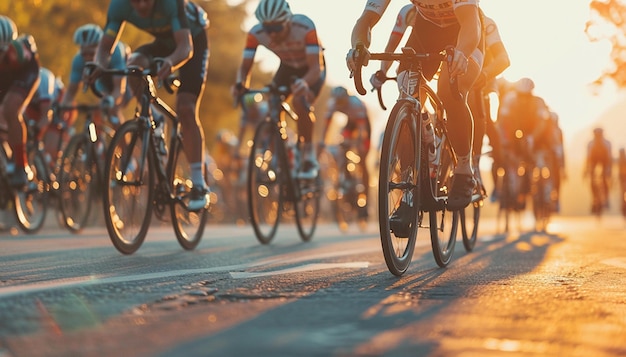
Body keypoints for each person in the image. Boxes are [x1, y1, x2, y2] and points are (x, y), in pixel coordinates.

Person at [348, 0, 484, 211]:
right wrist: (358, 47)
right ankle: (409, 187)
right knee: (406, 86)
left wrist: (462, 53)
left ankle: (465, 170)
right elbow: (365, 20)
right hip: (426, 30)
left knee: (449, 91)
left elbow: (470, 25)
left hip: (464, 30)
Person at [91, 0, 211, 211]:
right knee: (133, 67)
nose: (141, 5)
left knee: (186, 108)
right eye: (135, 1)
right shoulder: (118, 6)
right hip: (163, 42)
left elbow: (185, 48)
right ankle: (156, 117)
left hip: (192, 41)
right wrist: (99, 66)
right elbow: (104, 50)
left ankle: (198, 183)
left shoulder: (172, 3)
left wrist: (171, 62)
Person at [232, 0, 327, 180]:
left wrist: (304, 83)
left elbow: (316, 68)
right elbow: (245, 68)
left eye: (276, 28)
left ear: (288, 22)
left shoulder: (305, 26)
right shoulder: (255, 33)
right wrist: (240, 85)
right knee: (273, 104)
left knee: (300, 101)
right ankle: (281, 155)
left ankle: (308, 155)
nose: (272, 34)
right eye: (268, 29)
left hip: (311, 68)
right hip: (288, 67)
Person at [467, 12, 510, 200]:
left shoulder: (487, 24)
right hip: (458, 75)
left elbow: (503, 59)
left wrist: (485, 75)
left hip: (484, 78)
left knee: (488, 125)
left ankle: (481, 163)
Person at [61, 24, 129, 128]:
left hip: (125, 81)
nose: (87, 58)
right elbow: (71, 91)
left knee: (112, 112)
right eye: (84, 54)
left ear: (100, 48)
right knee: (97, 112)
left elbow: (119, 88)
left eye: (91, 54)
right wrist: (63, 108)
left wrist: (112, 102)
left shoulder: (115, 51)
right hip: (103, 83)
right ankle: (96, 142)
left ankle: (125, 142)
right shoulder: (78, 60)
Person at [0, 15, 39, 188]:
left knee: (10, 109)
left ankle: (21, 166)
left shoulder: (21, 53)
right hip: (4, 78)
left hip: (24, 73)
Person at [321, 86, 371, 217]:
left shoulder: (356, 105)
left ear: (347, 100)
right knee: (342, 147)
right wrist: (322, 141)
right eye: (338, 103)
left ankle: (366, 199)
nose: (340, 105)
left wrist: (360, 142)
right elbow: (327, 125)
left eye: (342, 103)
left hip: (363, 124)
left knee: (362, 158)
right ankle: (345, 177)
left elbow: (362, 131)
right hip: (350, 124)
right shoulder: (333, 104)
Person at [23, 67, 65, 170]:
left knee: (50, 148)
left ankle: (53, 168)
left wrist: (36, 133)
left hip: (56, 103)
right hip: (34, 106)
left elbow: (46, 116)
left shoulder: (43, 81)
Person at [585, 127, 612, 212]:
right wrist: (586, 170)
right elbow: (588, 158)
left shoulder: (607, 144)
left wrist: (608, 171)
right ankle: (594, 199)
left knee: (604, 179)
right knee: (592, 180)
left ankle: (606, 199)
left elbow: (609, 158)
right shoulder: (591, 144)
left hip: (604, 162)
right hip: (594, 162)